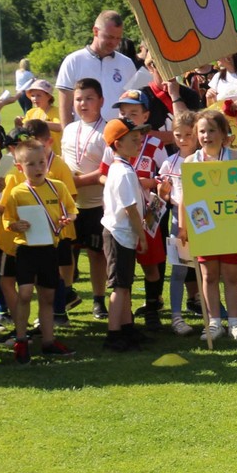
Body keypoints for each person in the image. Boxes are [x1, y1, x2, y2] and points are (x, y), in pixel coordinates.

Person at [0, 139, 77, 363]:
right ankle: (21, 341)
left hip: (49, 249)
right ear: (20, 167)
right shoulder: (16, 193)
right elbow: (7, 219)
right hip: (26, 250)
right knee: (24, 293)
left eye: (41, 162)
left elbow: (71, 210)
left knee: (48, 296)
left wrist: (66, 219)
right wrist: (15, 226)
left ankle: (49, 342)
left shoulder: (57, 187)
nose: (38, 168)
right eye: (31, 164)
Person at [180, 110, 237, 344]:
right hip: (203, 228)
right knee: (208, 276)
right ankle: (213, 322)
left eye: (211, 130)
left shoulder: (236, 158)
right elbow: (185, 198)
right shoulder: (191, 162)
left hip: (230, 227)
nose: (206, 136)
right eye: (201, 131)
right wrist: (183, 227)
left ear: (223, 133)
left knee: (231, 274)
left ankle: (235, 322)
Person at [100, 118, 152, 353]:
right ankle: (113, 334)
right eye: (133, 138)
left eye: (139, 136)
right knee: (119, 287)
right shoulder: (122, 171)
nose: (139, 141)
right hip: (119, 235)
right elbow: (130, 208)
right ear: (117, 144)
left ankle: (127, 327)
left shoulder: (123, 167)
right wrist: (142, 236)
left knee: (125, 285)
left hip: (123, 234)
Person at [61, 78, 110, 320]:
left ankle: (99, 300)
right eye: (79, 99)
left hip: (97, 204)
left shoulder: (107, 130)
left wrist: (79, 181)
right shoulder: (69, 129)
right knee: (66, 251)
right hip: (70, 204)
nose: (83, 104)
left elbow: (107, 168)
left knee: (96, 253)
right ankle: (67, 294)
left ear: (101, 101)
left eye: (89, 98)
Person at [157, 112, 199, 336]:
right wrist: (163, 193)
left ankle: (213, 314)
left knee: (207, 268)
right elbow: (164, 195)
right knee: (179, 269)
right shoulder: (169, 163)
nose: (183, 139)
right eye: (178, 135)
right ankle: (176, 316)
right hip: (177, 221)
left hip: (204, 220)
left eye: (188, 135)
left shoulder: (204, 159)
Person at [56, 11, 137, 124]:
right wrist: (68, 137)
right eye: (109, 37)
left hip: (118, 135)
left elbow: (134, 103)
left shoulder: (127, 63)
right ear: (95, 31)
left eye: (118, 38)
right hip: (84, 135)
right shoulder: (73, 61)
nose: (114, 42)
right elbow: (65, 107)